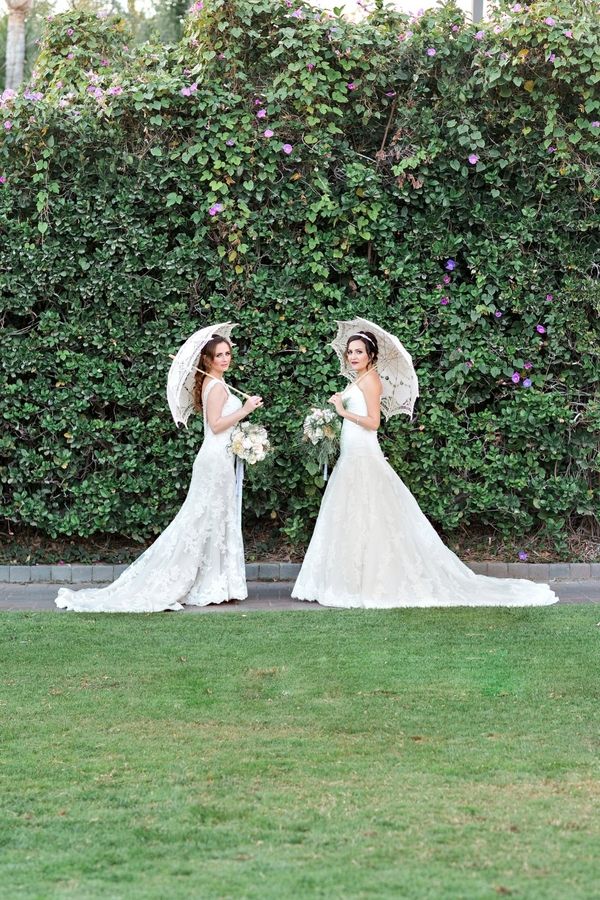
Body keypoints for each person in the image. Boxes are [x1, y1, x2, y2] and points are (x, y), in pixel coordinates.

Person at [292, 331, 558, 608]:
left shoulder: (371, 381)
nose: (353, 356)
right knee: (350, 512)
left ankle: (369, 582)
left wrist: (342, 411)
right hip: (350, 452)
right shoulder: (357, 380)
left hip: (363, 454)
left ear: (371, 355)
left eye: (359, 351)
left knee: (370, 511)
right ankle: (344, 580)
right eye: (350, 352)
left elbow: (374, 422)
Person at [55, 335, 262, 612]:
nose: (225, 358)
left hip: (221, 460)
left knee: (216, 518)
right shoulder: (216, 389)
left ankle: (218, 584)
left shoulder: (218, 384)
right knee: (202, 519)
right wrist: (245, 410)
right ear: (208, 360)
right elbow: (215, 425)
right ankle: (204, 583)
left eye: (227, 353)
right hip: (214, 462)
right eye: (219, 355)